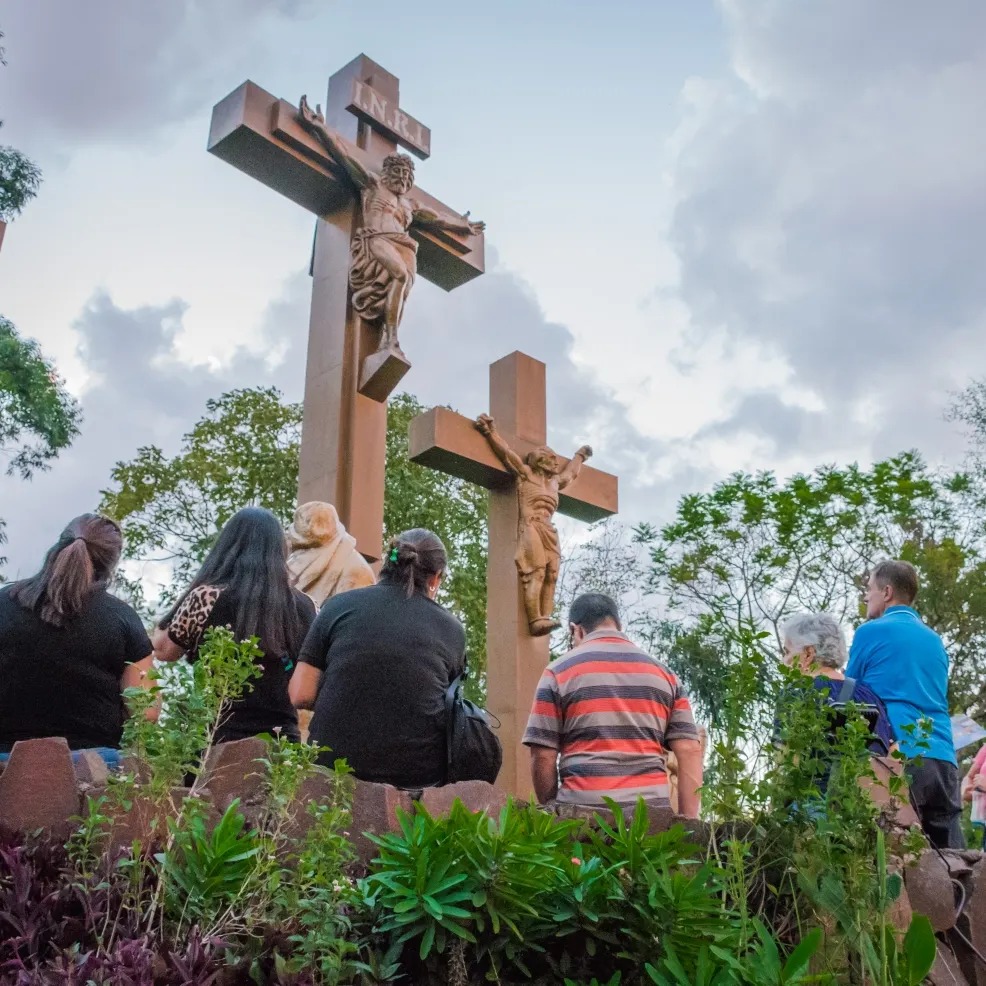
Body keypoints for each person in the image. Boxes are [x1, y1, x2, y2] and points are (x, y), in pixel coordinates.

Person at [289, 528, 465, 788]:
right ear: (436, 577)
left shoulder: (337, 606)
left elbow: (299, 693)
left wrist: (348, 693)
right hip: (415, 778)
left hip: (332, 769)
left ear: (388, 562)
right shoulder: (452, 630)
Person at [523, 593, 704, 816]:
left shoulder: (557, 672)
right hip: (649, 820)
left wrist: (553, 808)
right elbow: (689, 750)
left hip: (580, 819)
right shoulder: (665, 676)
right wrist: (688, 822)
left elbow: (543, 755)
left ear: (575, 630)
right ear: (618, 625)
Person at [0, 514, 154, 767]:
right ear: (110, 563)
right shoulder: (122, 617)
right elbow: (146, 711)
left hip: (6, 764)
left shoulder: (3, 603)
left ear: (58, 546)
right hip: (95, 765)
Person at [152, 507, 316, 744]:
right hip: (280, 741)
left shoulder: (207, 597)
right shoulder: (306, 606)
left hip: (215, 739)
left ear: (227, 548)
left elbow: (164, 650)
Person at [846, 560, 962, 848]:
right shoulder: (935, 640)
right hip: (943, 759)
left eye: (869, 589)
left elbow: (849, 695)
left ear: (887, 592)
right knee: (953, 859)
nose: (866, 596)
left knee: (894, 855)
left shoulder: (869, 632)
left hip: (896, 754)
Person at [779, 613, 896, 793]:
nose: (784, 661)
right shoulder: (868, 694)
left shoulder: (796, 694)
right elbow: (893, 750)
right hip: (866, 801)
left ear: (808, 653)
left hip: (812, 801)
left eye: (787, 652)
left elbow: (785, 759)